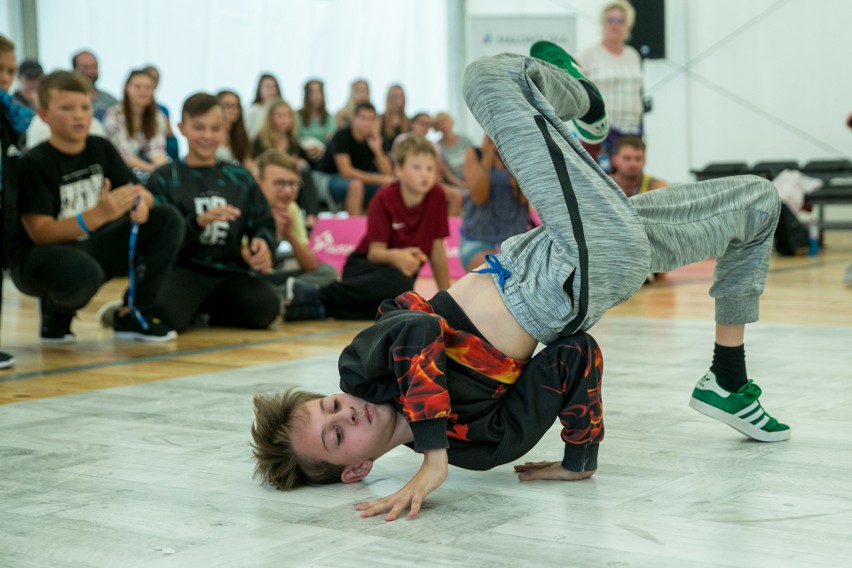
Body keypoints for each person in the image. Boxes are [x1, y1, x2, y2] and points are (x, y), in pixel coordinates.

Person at [251, 47, 789, 521]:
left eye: (329, 406)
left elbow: (418, 330)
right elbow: (575, 354)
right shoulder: (477, 445)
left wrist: (433, 455)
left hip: (544, 246)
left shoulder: (364, 368)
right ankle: (580, 104)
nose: (345, 412)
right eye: (337, 435)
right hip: (575, 272)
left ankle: (727, 377)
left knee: (759, 204)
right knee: (486, 79)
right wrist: (581, 456)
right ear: (357, 470)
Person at [11, 70, 182, 343]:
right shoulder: (35, 162)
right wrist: (96, 215)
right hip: (38, 258)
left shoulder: (100, 147)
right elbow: (39, 232)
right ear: (44, 115)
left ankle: (134, 313)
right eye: (67, 108)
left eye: (85, 107)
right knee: (83, 270)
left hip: (89, 246)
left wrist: (142, 203)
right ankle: (56, 312)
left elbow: (137, 191)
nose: (79, 115)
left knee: (166, 219)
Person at [144, 92, 279, 332]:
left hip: (229, 272)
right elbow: (159, 238)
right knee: (163, 316)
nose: (207, 136)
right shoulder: (164, 178)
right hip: (182, 270)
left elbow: (263, 221)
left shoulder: (239, 177)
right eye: (198, 128)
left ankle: (203, 313)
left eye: (215, 128)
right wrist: (197, 223)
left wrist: (262, 242)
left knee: (266, 307)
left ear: (225, 128)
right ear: (181, 128)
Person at [284, 135, 450, 322]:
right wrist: (397, 255)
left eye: (430, 168)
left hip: (400, 273)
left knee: (397, 310)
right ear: (398, 169)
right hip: (365, 267)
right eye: (417, 167)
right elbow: (374, 253)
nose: (425, 174)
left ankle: (316, 307)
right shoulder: (384, 198)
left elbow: (437, 250)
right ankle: (318, 292)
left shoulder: (437, 196)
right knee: (400, 286)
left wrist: (447, 299)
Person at [255, 149, 337, 294]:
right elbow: (247, 266)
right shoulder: (248, 208)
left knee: (327, 272)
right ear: (260, 185)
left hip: (270, 278)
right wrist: (271, 232)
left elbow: (310, 266)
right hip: (246, 278)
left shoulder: (291, 208)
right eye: (280, 183)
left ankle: (281, 295)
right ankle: (287, 295)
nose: (287, 191)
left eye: (293, 183)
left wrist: (289, 234)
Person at [0, 34, 35, 367]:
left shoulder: (9, 110)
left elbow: (31, 123)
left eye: (10, 70)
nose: (5, 78)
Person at [579, 0, 644, 168]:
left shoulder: (633, 55)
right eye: (610, 20)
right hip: (600, 134)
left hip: (632, 132)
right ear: (602, 23)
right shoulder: (588, 54)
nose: (615, 25)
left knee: (630, 184)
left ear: (628, 25)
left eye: (620, 21)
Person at [458, 134, 529, 271]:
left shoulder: (520, 157)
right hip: (477, 238)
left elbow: (523, 200)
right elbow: (478, 199)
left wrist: (514, 167)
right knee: (494, 274)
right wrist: (487, 159)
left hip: (514, 239)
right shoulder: (475, 154)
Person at [313, 102, 394, 215]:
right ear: (353, 118)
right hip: (327, 178)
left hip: (360, 178)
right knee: (356, 185)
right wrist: (380, 180)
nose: (367, 123)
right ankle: (355, 229)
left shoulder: (375, 138)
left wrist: (377, 150)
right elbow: (346, 172)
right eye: (363, 118)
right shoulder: (342, 136)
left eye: (371, 119)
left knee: (390, 187)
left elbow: (387, 173)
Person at [252, 99, 320, 226]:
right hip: (269, 180)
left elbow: (300, 158)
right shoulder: (261, 140)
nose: (284, 119)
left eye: (287, 115)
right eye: (279, 115)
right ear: (270, 118)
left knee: (304, 170)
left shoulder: (292, 140)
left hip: (290, 180)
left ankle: (311, 216)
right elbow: (257, 163)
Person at [393, 112, 462, 216]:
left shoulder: (434, 146)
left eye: (428, 124)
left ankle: (450, 230)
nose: (424, 127)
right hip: (405, 181)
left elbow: (437, 170)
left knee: (456, 195)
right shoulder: (402, 139)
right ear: (412, 124)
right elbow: (397, 162)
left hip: (430, 182)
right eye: (422, 123)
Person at [103, 69, 169, 178]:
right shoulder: (114, 115)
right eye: (137, 87)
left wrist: (164, 171)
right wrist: (153, 170)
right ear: (127, 88)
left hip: (145, 167)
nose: (143, 92)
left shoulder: (158, 116)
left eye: (148, 88)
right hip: (119, 169)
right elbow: (122, 155)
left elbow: (157, 150)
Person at [141, 65, 179, 160]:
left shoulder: (162, 110)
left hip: (160, 153)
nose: (153, 81)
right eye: (149, 76)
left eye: (156, 78)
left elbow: (170, 137)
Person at [296, 79, 336, 165]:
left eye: (318, 91)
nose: (316, 96)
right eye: (312, 92)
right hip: (302, 154)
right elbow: (295, 137)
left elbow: (330, 138)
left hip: (323, 156)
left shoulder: (330, 118)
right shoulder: (297, 116)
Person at [71, 49, 118, 120]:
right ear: (74, 70)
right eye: (85, 67)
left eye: (94, 67)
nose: (90, 72)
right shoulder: (66, 99)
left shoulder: (110, 101)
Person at [216, 89, 254, 171]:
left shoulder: (239, 135)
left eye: (236, 106)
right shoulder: (210, 133)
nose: (233, 110)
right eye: (227, 105)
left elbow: (248, 163)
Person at [434, 111, 473, 189]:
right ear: (436, 128)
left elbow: (476, 161)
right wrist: (463, 185)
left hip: (473, 178)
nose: (443, 125)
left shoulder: (465, 140)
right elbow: (447, 174)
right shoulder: (437, 147)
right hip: (455, 184)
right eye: (439, 124)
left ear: (451, 122)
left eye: (445, 121)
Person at [245, 73, 282, 141]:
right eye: (268, 87)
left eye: (274, 87)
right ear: (259, 89)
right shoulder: (252, 111)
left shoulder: (281, 110)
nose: (272, 90)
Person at [380, 84, 409, 153]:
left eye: (400, 97)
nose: (397, 100)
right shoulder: (380, 120)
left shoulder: (408, 122)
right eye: (394, 96)